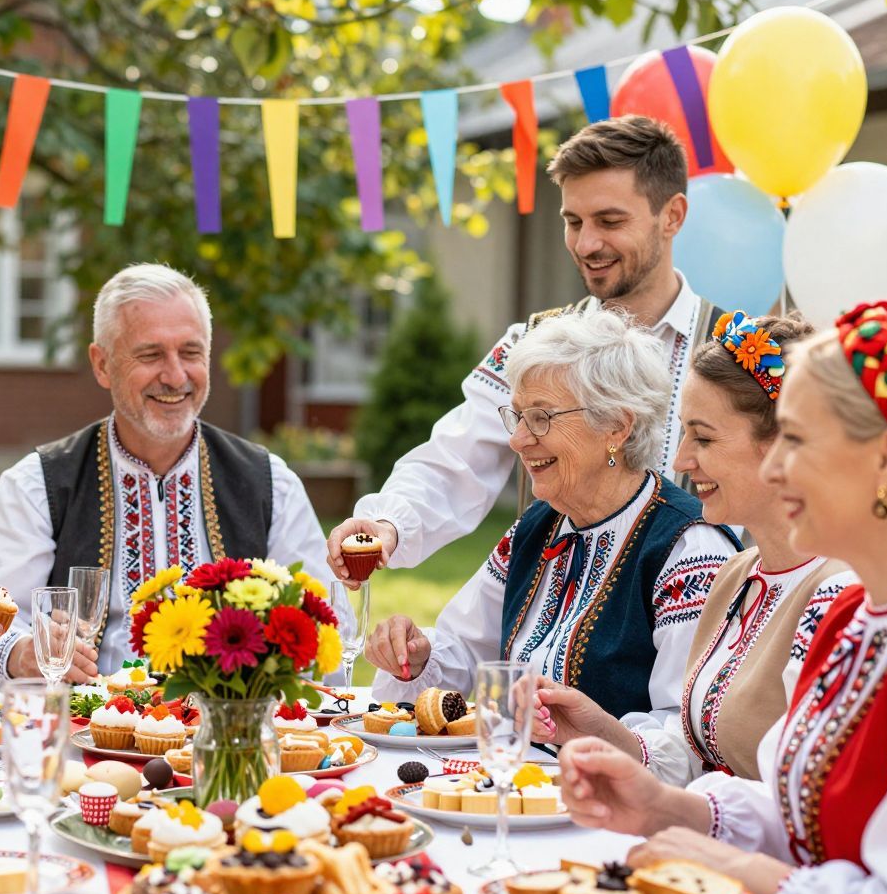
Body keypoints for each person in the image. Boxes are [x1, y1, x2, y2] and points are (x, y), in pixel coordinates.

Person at [558, 303, 887, 894]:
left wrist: (733, 866)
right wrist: (672, 809)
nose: (778, 468)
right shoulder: (860, 617)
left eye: (796, 440)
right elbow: (811, 823)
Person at [328, 115, 728, 584]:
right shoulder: (532, 341)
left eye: (610, 221)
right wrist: (388, 522)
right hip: (551, 634)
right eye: (573, 222)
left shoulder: (731, 350)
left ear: (673, 216)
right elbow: (456, 460)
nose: (586, 243)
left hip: (696, 635)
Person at [0, 263, 335, 684]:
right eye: (150, 355)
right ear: (102, 365)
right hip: (87, 734)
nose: (174, 376)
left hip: (227, 731)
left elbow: (328, 626)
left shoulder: (268, 482)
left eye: (190, 353)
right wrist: (22, 653)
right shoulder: (39, 484)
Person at [364, 307, 740, 720]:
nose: (518, 440)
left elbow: (683, 728)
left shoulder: (688, 548)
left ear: (616, 426)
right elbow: (469, 647)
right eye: (518, 416)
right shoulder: (539, 524)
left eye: (541, 417)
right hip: (513, 777)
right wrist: (417, 655)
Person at [530, 313, 855, 783]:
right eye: (684, 434)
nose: (681, 460)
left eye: (703, 437)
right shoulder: (737, 577)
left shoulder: (837, 594)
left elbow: (805, 796)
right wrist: (594, 728)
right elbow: (693, 755)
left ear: (784, 442)